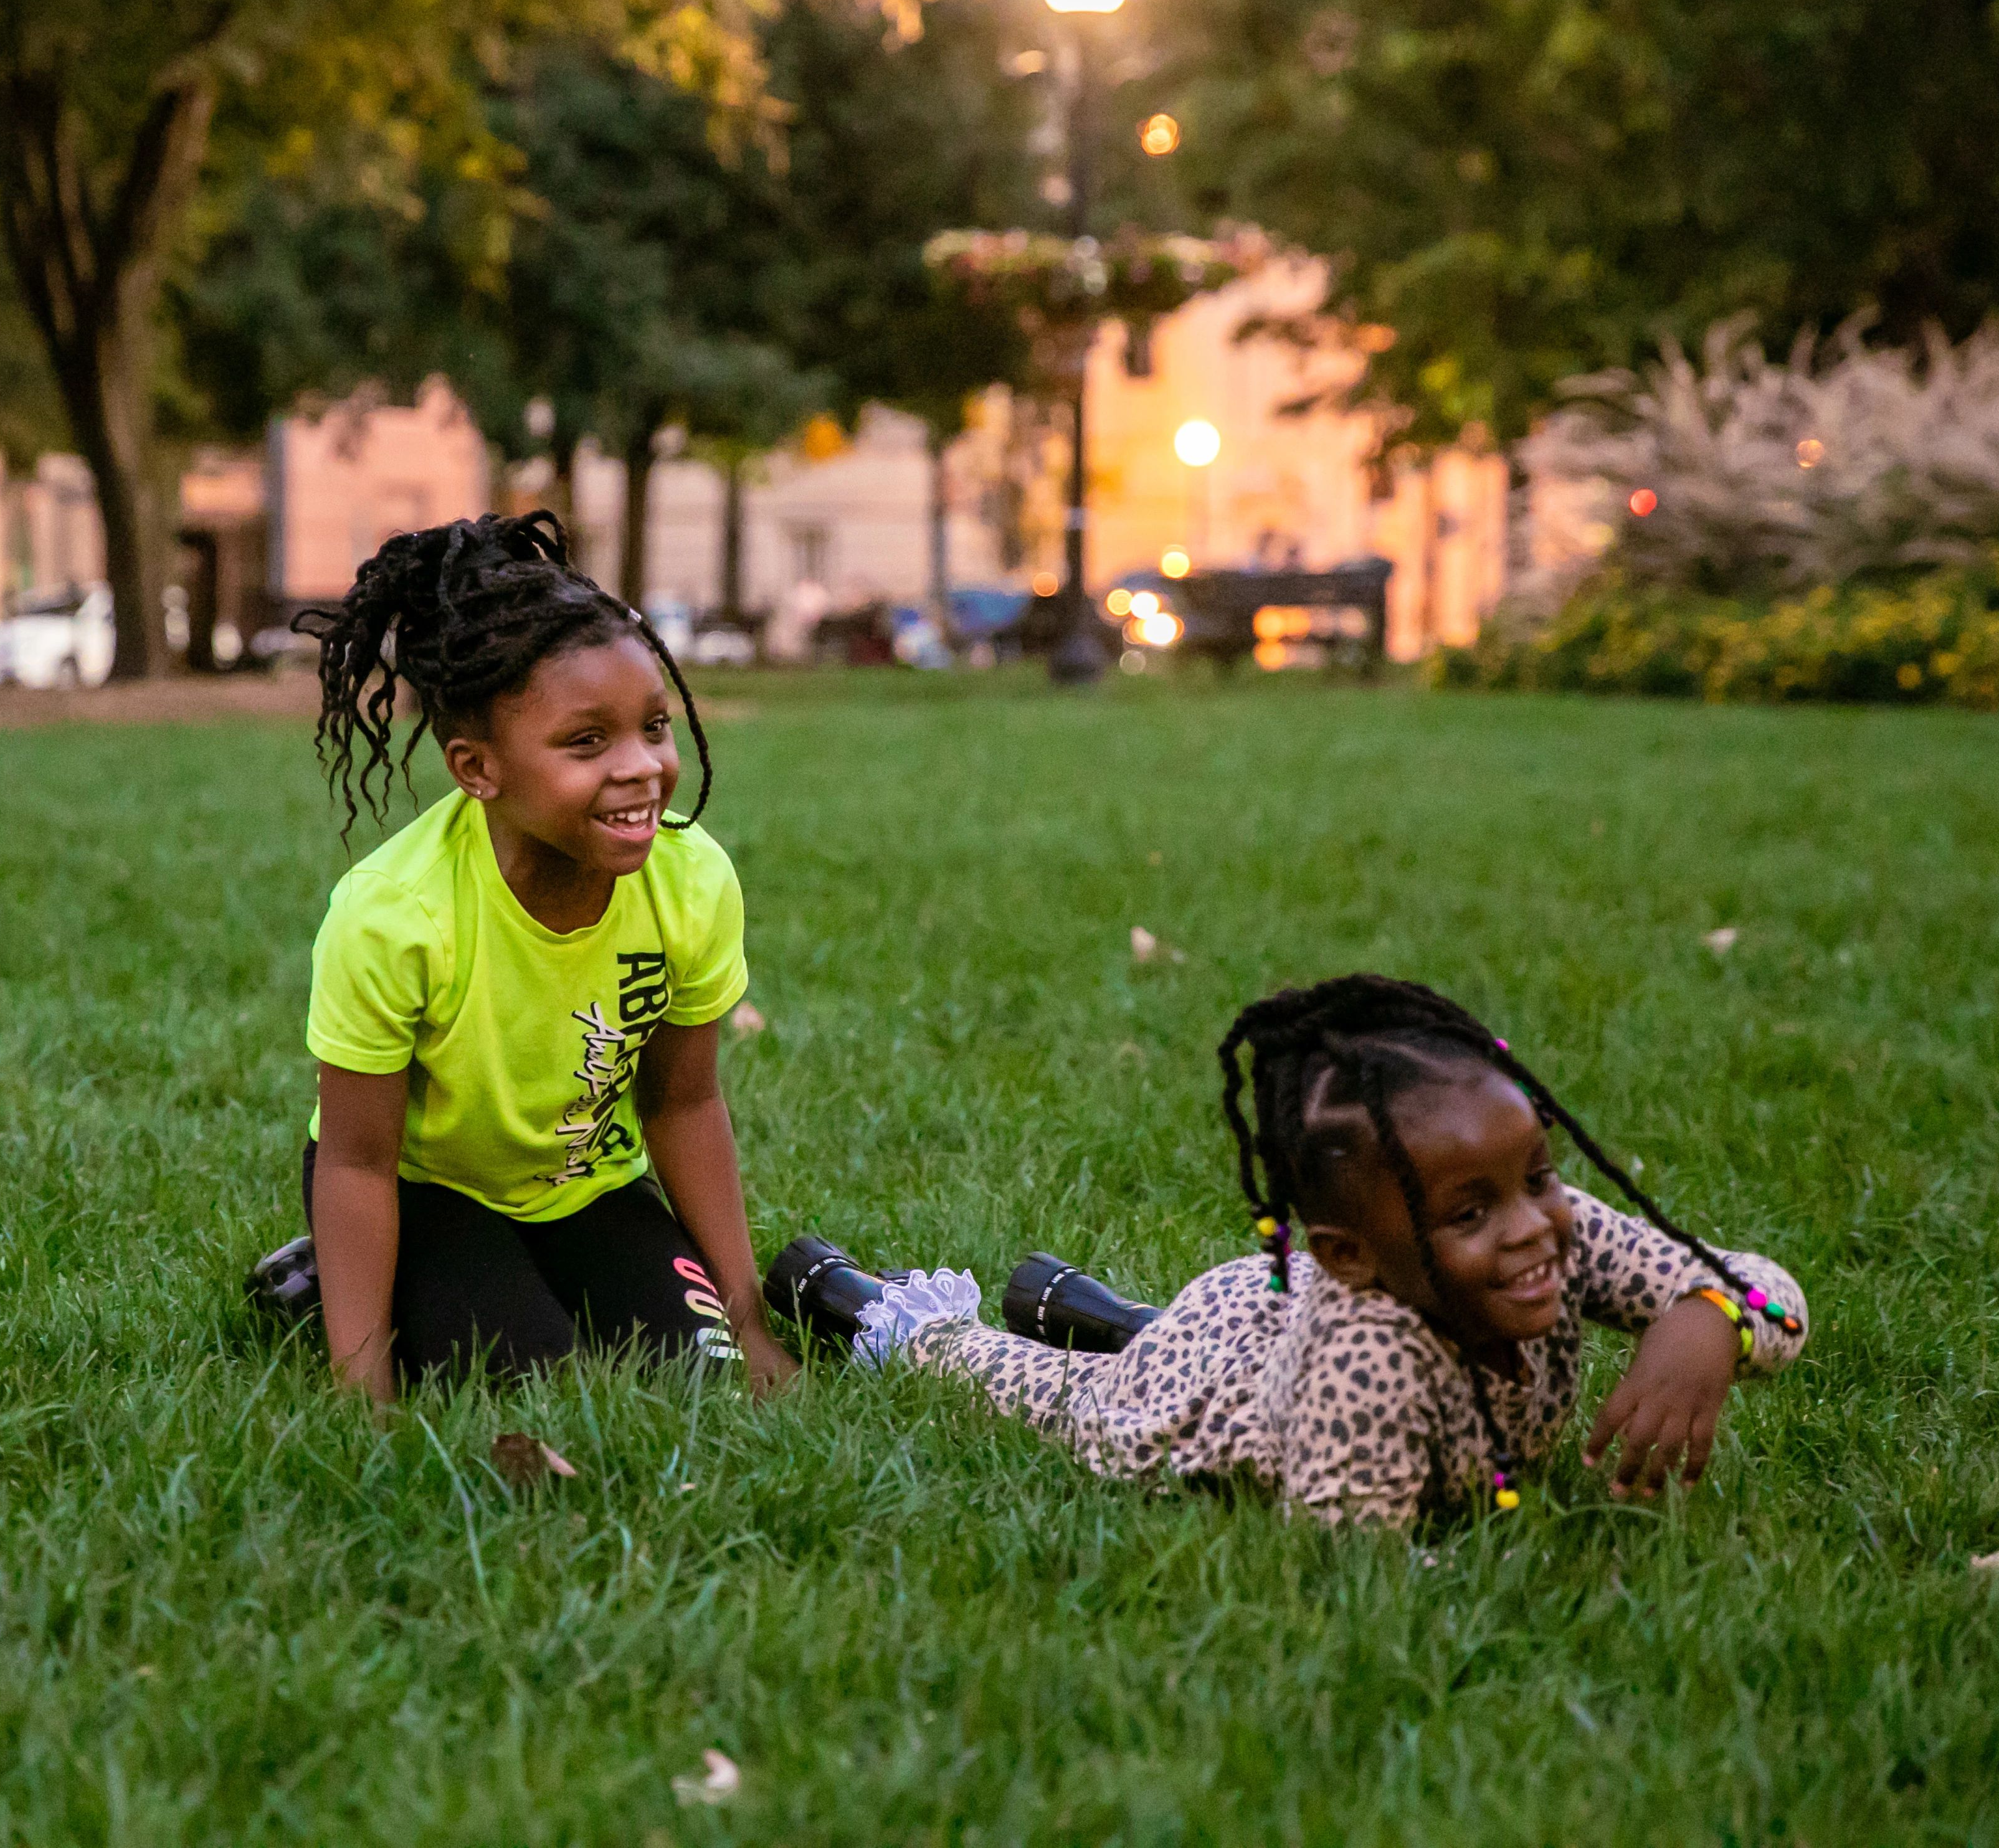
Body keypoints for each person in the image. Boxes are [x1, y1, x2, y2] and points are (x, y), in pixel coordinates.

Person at [807, 975, 1808, 1527]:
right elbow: (1349, 1547)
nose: (1531, 1228)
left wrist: (1706, 1319)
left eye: (1536, 1176)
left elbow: (1773, 1300)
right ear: (1354, 1254)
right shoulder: (1368, 1363)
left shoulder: (1546, 1228)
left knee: (1173, 1334)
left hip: (1265, 1316)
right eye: (1469, 1213)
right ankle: (870, 1307)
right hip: (1205, 1389)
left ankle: (1093, 1310)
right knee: (1055, 1388)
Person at [285, 511, 797, 1400]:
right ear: (476, 768)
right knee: (540, 1387)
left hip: (588, 1189)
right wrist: (361, 1391)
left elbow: (683, 1101)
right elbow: (358, 1162)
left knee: (700, 1387)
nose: (641, 767)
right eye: (586, 742)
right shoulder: (394, 915)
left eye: (653, 727)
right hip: (423, 1193)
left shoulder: (690, 880)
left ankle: (531, 1280)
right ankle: (319, 1284)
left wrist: (748, 1324)